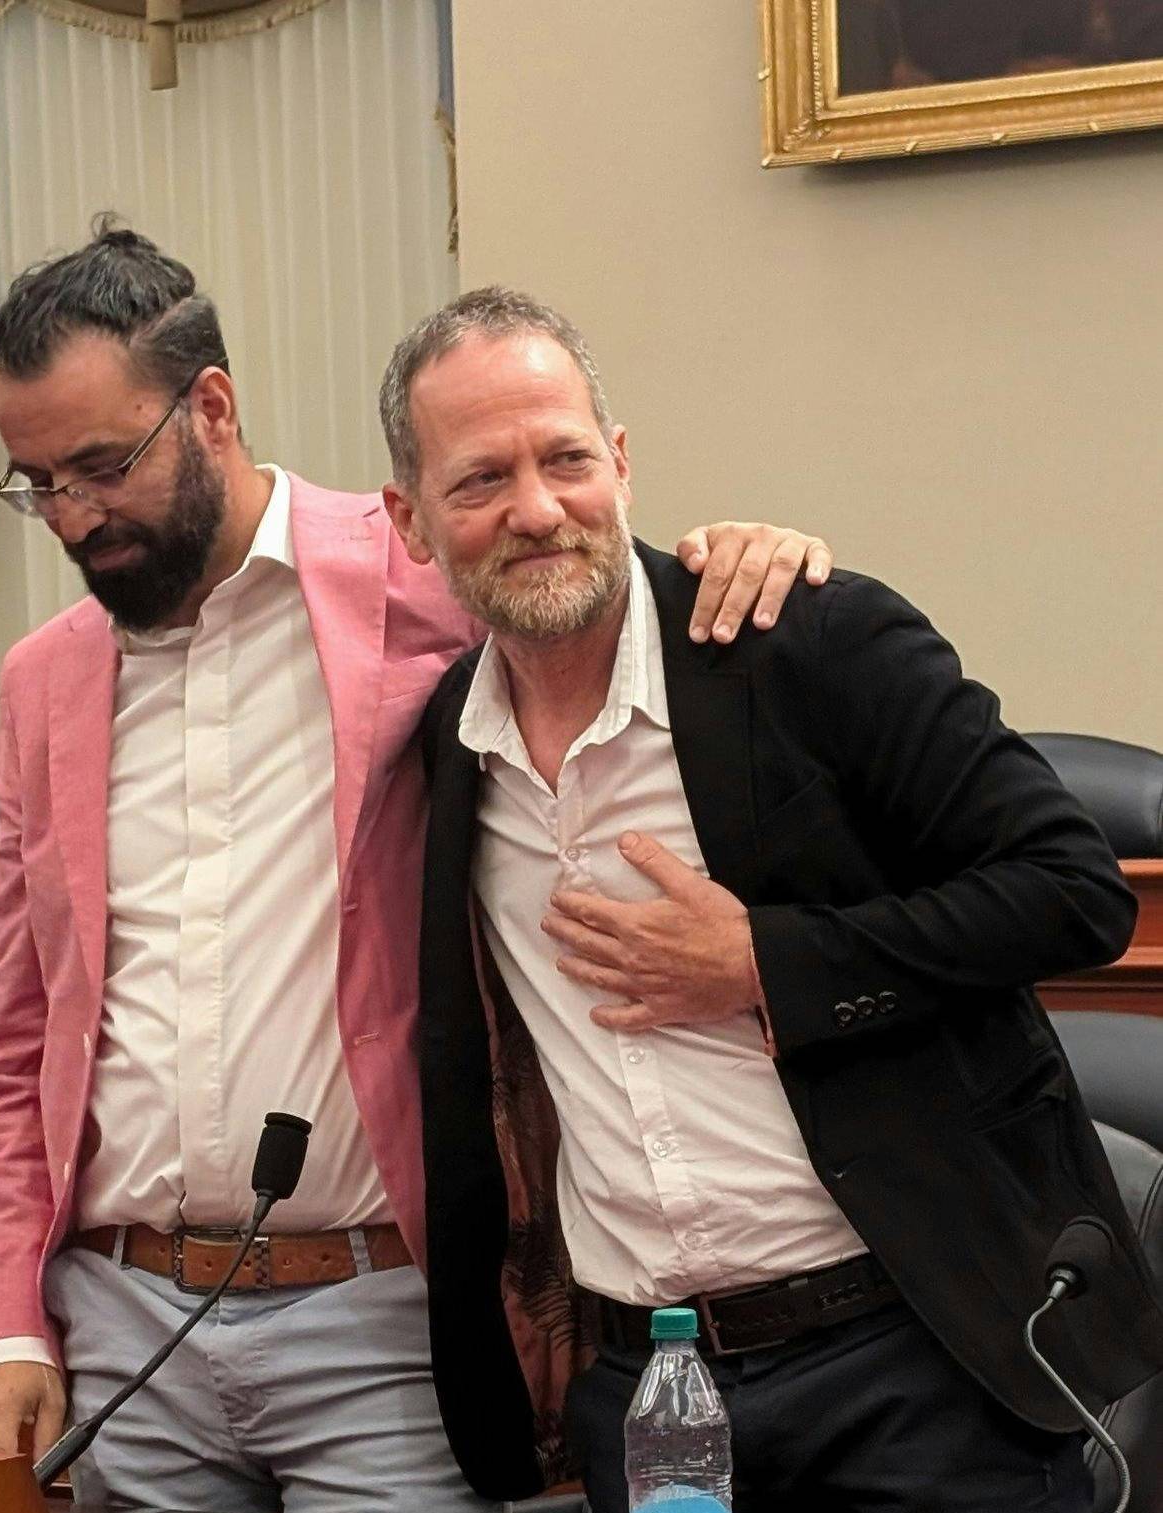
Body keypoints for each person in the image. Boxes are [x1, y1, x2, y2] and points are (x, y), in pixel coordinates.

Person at [0, 223, 833, 1510]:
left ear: (212, 407)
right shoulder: (45, 683)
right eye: (39, 485)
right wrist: (8, 1326)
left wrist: (754, 551)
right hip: (126, 1334)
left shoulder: (415, 565)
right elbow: (18, 1039)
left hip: (381, 1322)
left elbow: (577, 567)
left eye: (103, 466)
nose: (77, 518)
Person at [382, 285, 1163, 1512]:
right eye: (480, 481)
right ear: (411, 520)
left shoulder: (802, 642)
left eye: (566, 458)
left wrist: (767, 964)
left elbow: (1074, 892)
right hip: (654, 1386)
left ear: (623, 463)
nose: (537, 510)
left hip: (912, 1362)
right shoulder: (447, 749)